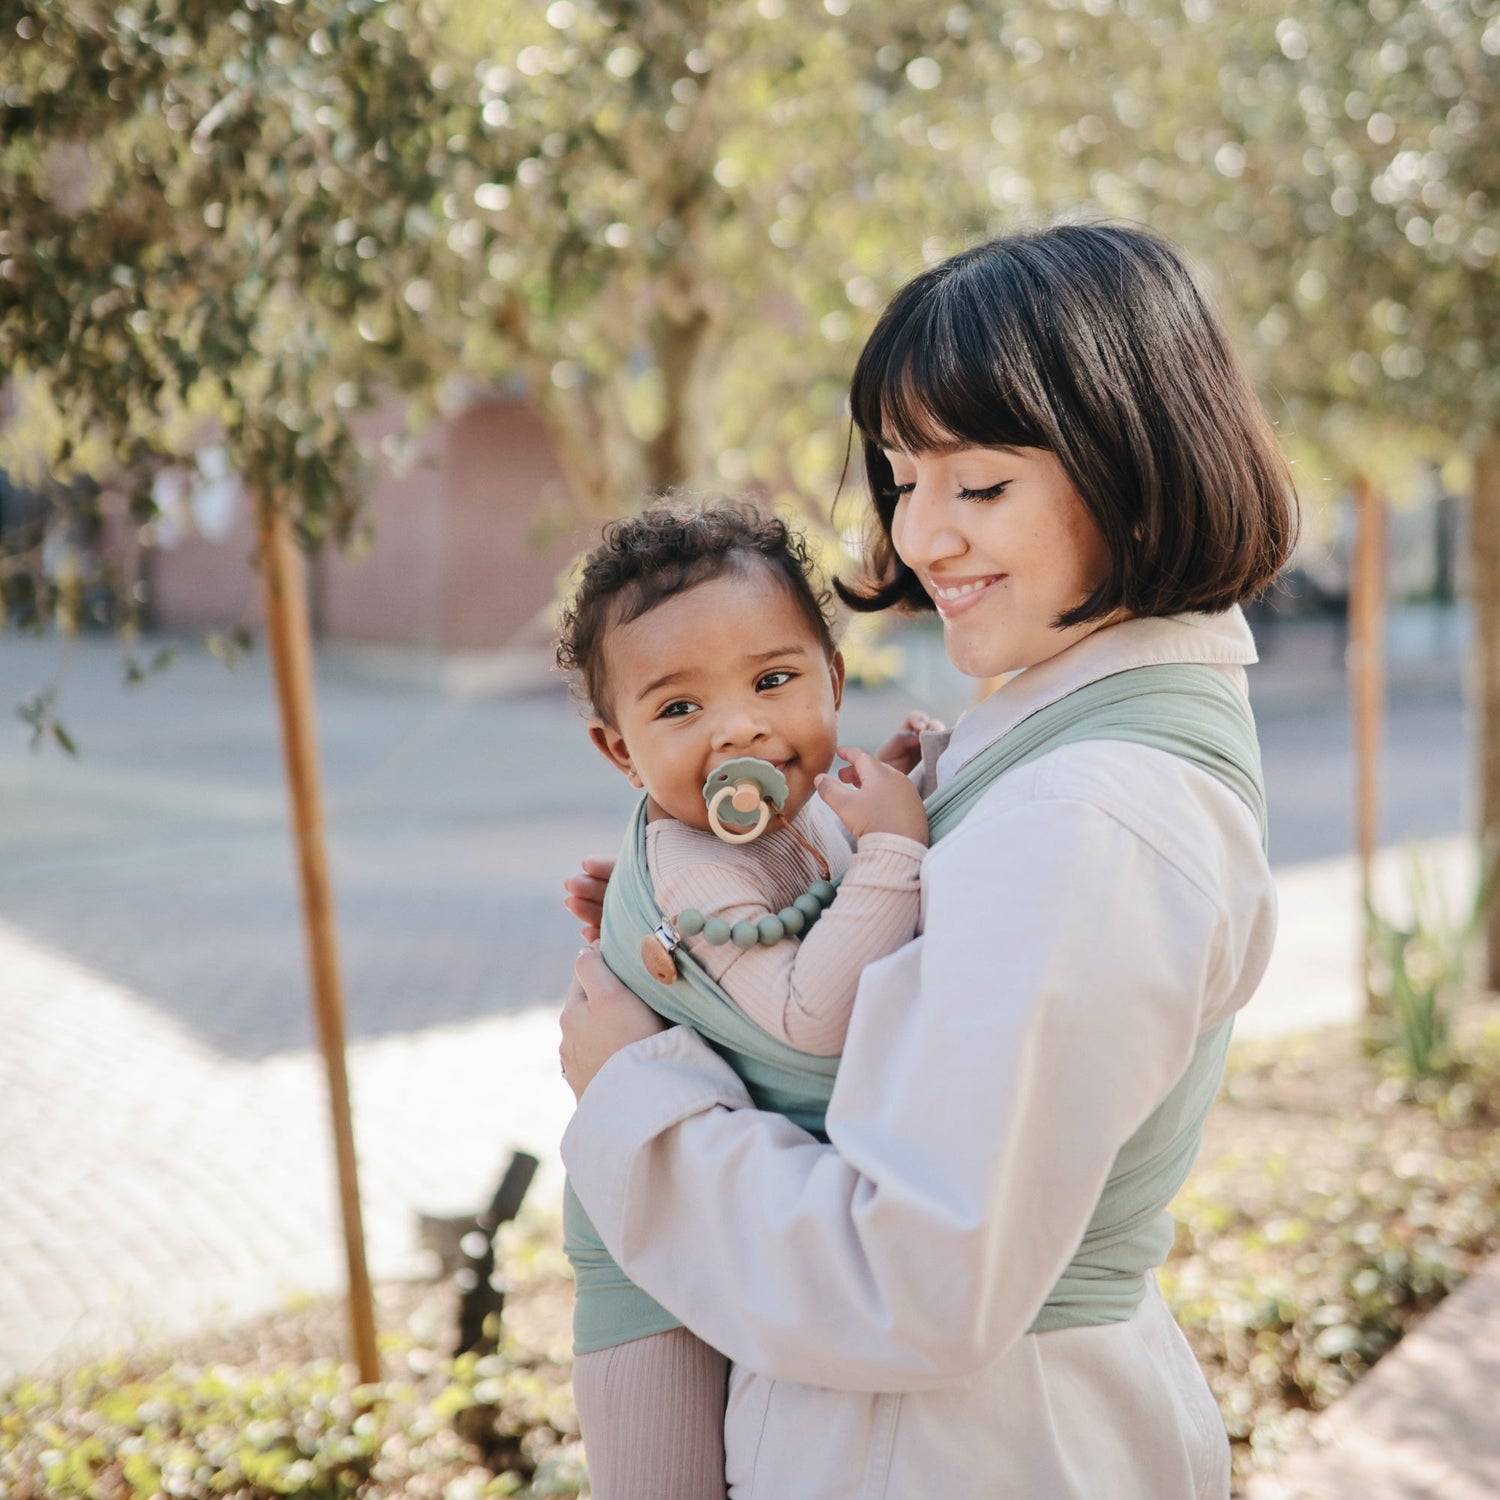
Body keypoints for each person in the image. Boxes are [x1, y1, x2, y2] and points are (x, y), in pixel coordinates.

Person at [559, 222, 1296, 1499]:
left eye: (981, 485)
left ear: (1130, 463)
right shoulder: (1058, 738)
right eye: (905, 477)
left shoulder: (1092, 817)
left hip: (959, 1446)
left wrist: (634, 1092)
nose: (919, 538)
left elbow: (910, 1278)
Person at [554, 501, 937, 1500]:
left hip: (736, 1198)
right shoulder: (691, 864)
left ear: (833, 681)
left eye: (774, 681)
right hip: (647, 1245)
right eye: (679, 709)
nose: (739, 726)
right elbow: (814, 1016)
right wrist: (896, 851)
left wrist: (878, 799)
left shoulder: (798, 810)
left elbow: (820, 897)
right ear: (621, 751)